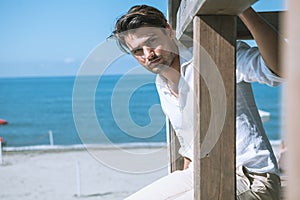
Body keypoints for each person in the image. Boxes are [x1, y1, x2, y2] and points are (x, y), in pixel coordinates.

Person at [111, 4, 283, 200]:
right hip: (199, 173)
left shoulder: (213, 57)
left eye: (152, 41)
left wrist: (241, 7)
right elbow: (189, 142)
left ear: (168, 31)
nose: (148, 54)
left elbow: (279, 70)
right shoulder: (161, 84)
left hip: (251, 177)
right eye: (138, 51)